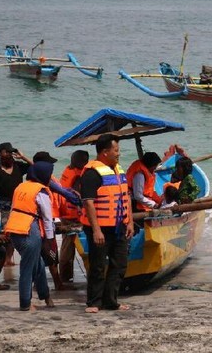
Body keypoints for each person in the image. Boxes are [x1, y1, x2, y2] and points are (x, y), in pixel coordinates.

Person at [79, 133, 133, 313]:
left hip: (119, 226)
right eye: (116, 150)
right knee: (98, 265)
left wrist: (130, 222)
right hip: (100, 228)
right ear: (104, 152)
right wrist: (96, 230)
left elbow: (126, 198)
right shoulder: (92, 173)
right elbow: (88, 202)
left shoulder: (119, 170)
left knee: (120, 264)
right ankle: (94, 302)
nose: (119, 154)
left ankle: (111, 301)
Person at [4, 161, 56, 311]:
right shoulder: (41, 191)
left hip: (14, 229)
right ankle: (25, 303)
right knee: (28, 268)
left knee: (37, 263)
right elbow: (47, 218)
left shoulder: (21, 187)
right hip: (29, 231)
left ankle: (46, 296)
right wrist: (50, 239)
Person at [32, 151, 81, 291]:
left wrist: (70, 192)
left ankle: (54, 282)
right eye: (49, 163)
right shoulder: (41, 182)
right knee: (50, 253)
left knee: (47, 253)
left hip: (51, 219)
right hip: (43, 222)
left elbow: (60, 189)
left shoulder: (44, 178)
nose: (52, 166)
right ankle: (57, 283)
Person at [0, 142, 31, 266]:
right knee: (7, 232)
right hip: (5, 205)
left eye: (10, 152)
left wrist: (23, 157)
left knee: (21, 230)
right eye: (6, 152)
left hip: (20, 203)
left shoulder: (18, 166)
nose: (9, 154)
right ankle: (7, 258)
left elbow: (35, 167)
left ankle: (11, 257)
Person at [57, 149, 89, 284]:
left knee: (67, 246)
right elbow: (78, 195)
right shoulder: (77, 176)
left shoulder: (67, 171)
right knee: (73, 246)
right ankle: (65, 277)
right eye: (86, 160)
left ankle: (66, 277)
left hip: (65, 213)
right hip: (73, 215)